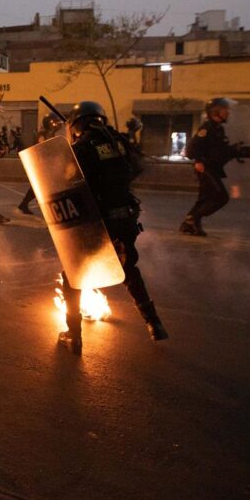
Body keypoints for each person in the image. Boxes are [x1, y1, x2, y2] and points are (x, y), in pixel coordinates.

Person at [54, 102, 167, 355]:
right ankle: (154, 323)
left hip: (98, 217)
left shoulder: (82, 146)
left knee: (73, 274)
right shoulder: (118, 141)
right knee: (127, 268)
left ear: (77, 123)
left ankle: (74, 336)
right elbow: (137, 166)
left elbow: (67, 179)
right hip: (126, 214)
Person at [179, 97, 245, 236]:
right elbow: (191, 149)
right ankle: (192, 219)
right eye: (224, 110)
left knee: (204, 198)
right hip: (205, 169)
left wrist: (234, 150)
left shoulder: (218, 129)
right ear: (215, 111)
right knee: (220, 197)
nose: (227, 113)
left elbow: (219, 151)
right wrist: (198, 161)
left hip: (214, 168)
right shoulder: (207, 128)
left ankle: (188, 225)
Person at [17, 114, 64, 215]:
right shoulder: (42, 135)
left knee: (40, 187)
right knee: (44, 187)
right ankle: (28, 204)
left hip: (49, 164)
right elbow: (42, 147)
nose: (56, 124)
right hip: (42, 164)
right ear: (49, 123)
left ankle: (24, 204)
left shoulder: (51, 134)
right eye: (54, 122)